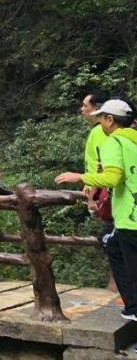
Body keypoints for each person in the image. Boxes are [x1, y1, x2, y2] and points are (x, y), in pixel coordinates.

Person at [56, 99, 137, 321]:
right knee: (112, 245)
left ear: (110, 120)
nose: (99, 123)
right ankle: (131, 306)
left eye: (101, 118)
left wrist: (81, 177)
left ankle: (133, 306)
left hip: (131, 218)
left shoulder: (114, 142)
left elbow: (113, 177)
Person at [80, 90, 117, 291]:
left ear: (96, 109)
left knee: (112, 239)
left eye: (85, 105)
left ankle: (115, 287)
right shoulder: (100, 131)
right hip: (105, 190)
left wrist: (93, 196)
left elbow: (102, 166)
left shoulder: (101, 132)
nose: (82, 109)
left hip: (107, 193)